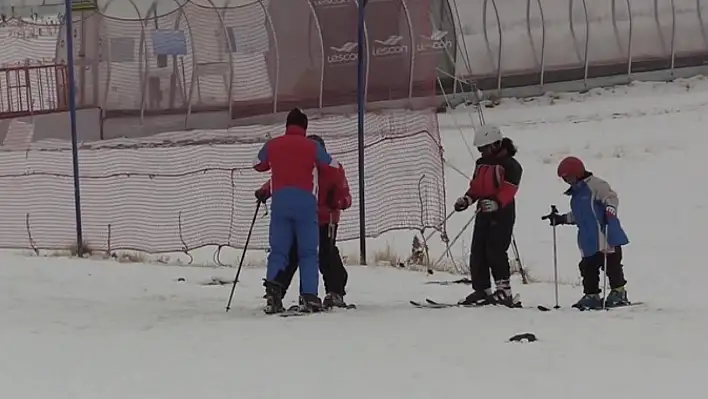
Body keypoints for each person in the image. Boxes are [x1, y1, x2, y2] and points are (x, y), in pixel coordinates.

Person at [253, 108, 340, 314]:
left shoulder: (273, 144)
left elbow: (258, 164)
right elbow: (332, 165)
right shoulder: (311, 146)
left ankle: (273, 295)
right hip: (306, 205)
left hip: (280, 205)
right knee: (308, 253)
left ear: (286, 125)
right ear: (305, 127)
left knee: (279, 251)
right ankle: (309, 296)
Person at [544, 156, 630, 310]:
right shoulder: (577, 194)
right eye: (564, 179)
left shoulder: (596, 185)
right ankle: (592, 294)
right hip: (588, 239)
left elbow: (610, 197)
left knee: (611, 265)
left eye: (568, 177)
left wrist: (610, 208)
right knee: (587, 267)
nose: (566, 181)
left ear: (577, 172)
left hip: (605, 235)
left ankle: (619, 291)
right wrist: (561, 218)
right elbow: (579, 215)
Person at [453, 124, 522, 307]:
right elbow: (477, 186)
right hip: (483, 210)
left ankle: (504, 291)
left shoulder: (510, 165)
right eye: (480, 149)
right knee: (478, 251)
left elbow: (510, 189)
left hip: (502, 211)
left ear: (496, 144)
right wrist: (467, 199)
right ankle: (482, 289)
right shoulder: (481, 163)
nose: (482, 152)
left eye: (484, 148)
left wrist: (497, 203)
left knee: (495, 250)